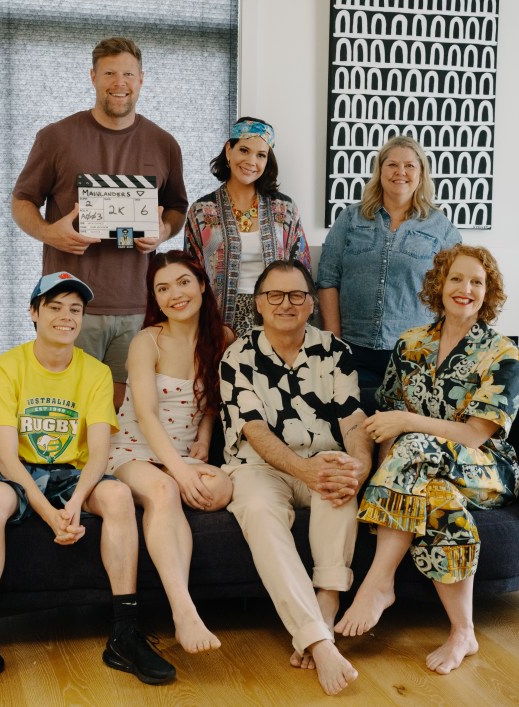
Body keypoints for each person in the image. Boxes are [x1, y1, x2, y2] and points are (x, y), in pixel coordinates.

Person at [0, 272, 175, 702]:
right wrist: (52, 516)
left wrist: (77, 501)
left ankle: (125, 636)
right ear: (33, 313)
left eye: (75, 309)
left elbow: (100, 451)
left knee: (119, 495)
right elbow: (7, 458)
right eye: (54, 306)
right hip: (16, 468)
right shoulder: (5, 367)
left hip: (71, 471)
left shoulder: (97, 372)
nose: (66, 316)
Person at [334, 244, 519, 675]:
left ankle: (378, 583)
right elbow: (385, 424)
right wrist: (393, 455)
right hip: (423, 470)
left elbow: (477, 433)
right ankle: (464, 632)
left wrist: (408, 422)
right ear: (440, 284)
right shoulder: (410, 344)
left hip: (487, 467)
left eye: (477, 282)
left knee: (414, 444)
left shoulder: (503, 353)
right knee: (437, 498)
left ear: (488, 292)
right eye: (457, 278)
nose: (465, 289)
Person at [218, 259, 373, 696]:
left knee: (338, 481)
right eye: (275, 296)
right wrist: (307, 469)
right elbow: (255, 432)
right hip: (258, 467)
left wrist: (357, 465)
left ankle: (327, 603)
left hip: (320, 456)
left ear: (311, 304)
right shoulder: (237, 357)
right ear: (258, 304)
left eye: (297, 295)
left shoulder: (334, 351)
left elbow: (353, 418)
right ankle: (319, 641)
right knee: (259, 510)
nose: (286, 304)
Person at [11, 37, 189, 410]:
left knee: (122, 416)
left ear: (142, 79)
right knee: (64, 411)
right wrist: (48, 232)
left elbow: (176, 207)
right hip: (71, 305)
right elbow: (21, 201)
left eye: (127, 73)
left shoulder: (164, 144)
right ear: (93, 77)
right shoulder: (56, 138)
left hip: (137, 306)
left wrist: (164, 231)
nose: (118, 82)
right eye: (109, 73)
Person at [107, 250, 234, 654]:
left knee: (221, 490)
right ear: (155, 299)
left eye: (182, 282)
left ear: (201, 285)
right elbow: (144, 414)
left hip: (180, 452)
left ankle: (167, 491)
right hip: (134, 448)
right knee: (163, 491)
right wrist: (179, 472)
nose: (174, 294)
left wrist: (204, 430)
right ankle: (184, 612)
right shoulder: (147, 341)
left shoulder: (224, 338)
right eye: (162, 288)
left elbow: (217, 396)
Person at [317, 135, 461, 388]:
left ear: (421, 173)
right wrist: (335, 343)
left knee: (404, 425)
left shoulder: (440, 226)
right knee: (356, 423)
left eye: (409, 165)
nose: (400, 172)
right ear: (380, 170)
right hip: (353, 351)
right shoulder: (351, 218)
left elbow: (454, 289)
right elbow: (328, 279)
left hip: (414, 354)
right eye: (392, 164)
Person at [184, 117, 311, 336]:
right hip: (218, 324)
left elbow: (302, 270)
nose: (251, 161)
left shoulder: (285, 209)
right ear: (228, 150)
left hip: (277, 319)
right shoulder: (202, 211)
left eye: (261, 155)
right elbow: (191, 275)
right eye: (244, 150)